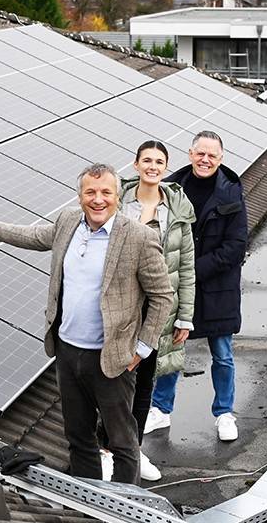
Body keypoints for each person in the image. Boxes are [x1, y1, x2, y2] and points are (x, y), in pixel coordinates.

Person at [0, 163, 173, 484]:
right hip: (67, 351)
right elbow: (38, 236)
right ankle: (87, 499)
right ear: (80, 196)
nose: (98, 199)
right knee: (78, 437)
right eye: (90, 192)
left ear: (118, 196)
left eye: (106, 192)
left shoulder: (139, 237)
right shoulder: (68, 221)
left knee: (122, 441)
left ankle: (124, 504)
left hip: (112, 357)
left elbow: (162, 296)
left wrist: (142, 348)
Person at [98, 140, 196, 482]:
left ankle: (132, 449)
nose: (153, 167)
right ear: (136, 165)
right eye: (147, 161)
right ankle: (106, 450)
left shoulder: (178, 212)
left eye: (159, 162)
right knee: (114, 383)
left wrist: (185, 316)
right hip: (120, 309)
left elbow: (186, 267)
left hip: (158, 312)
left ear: (166, 168)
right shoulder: (117, 203)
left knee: (143, 386)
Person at [144, 131, 248, 442]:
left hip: (217, 290)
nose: (205, 160)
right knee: (171, 350)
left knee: (222, 354)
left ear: (221, 158)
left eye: (211, 155)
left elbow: (235, 247)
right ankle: (160, 409)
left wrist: (191, 269)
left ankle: (224, 413)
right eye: (200, 154)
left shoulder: (231, 194)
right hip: (178, 288)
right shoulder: (170, 190)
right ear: (190, 154)